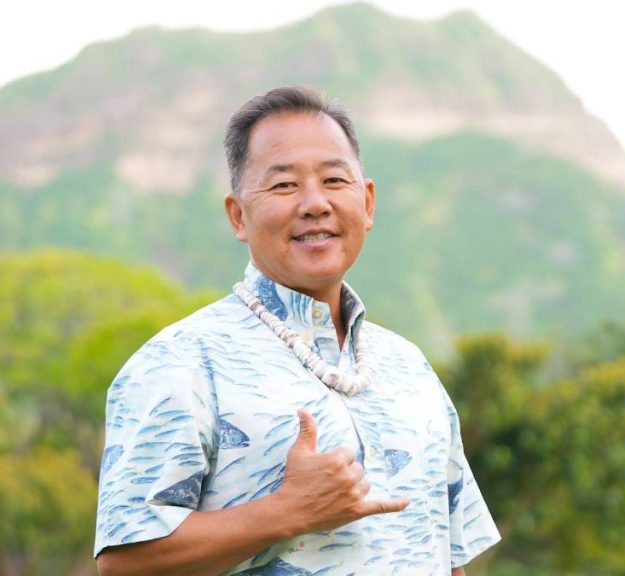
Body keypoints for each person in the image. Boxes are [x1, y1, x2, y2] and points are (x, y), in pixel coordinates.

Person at [94, 86, 500, 576]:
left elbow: (448, 555)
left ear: (367, 203)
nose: (315, 203)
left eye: (334, 180)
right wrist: (287, 513)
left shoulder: (409, 367)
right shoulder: (179, 362)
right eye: (284, 185)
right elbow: (124, 563)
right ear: (238, 215)